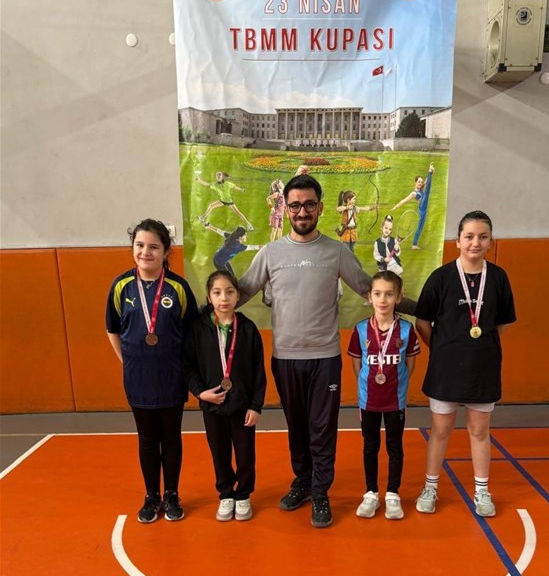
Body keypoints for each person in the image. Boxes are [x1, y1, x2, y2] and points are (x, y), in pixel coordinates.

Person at [238, 173, 396, 528]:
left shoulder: (336, 251)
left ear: (320, 208)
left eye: (309, 204)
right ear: (285, 208)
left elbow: (369, 288)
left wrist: (417, 306)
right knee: (297, 427)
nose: (302, 211)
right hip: (285, 358)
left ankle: (321, 491)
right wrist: (202, 312)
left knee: (321, 428)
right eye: (295, 205)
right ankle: (303, 481)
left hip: (324, 357)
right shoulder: (270, 253)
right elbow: (242, 291)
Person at [414, 210, 516, 517]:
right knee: (440, 430)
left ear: (491, 241)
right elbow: (422, 321)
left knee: (479, 431)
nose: (476, 242)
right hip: (445, 369)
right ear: (457, 241)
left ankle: (482, 490)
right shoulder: (441, 277)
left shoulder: (498, 277)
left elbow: (502, 322)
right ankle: (430, 487)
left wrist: (480, 345)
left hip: (483, 368)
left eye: (483, 237)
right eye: (469, 236)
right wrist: (441, 348)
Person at [106, 219, 198, 524]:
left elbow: (190, 333)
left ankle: (171, 494)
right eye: (140, 245)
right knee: (146, 438)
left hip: (171, 376)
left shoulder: (178, 287)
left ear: (166, 251)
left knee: (171, 436)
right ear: (133, 247)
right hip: (137, 377)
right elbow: (112, 329)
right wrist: (127, 361)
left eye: (154, 247)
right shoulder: (121, 286)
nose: (145, 252)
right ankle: (151, 495)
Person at [183, 270, 266, 522]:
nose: (224, 298)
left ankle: (244, 494)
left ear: (238, 295)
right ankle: (226, 494)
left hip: (242, 406)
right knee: (219, 453)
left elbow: (258, 371)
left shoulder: (248, 328)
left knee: (245, 455)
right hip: (213, 406)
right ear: (209, 296)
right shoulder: (198, 329)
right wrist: (200, 393)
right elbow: (188, 366)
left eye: (229, 292)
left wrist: (256, 406)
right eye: (217, 292)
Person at [348, 271, 420, 520]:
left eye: (389, 294)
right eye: (377, 294)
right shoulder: (360, 330)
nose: (383, 299)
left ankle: (392, 494)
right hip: (368, 399)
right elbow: (357, 365)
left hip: (395, 400)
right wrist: (366, 383)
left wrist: (398, 384)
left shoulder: (407, 330)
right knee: (370, 445)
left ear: (399, 297)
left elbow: (410, 364)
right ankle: (371, 492)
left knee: (394, 445)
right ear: (369, 297)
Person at [391, 162, 435, 250]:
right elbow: (404, 200)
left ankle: (414, 245)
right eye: (419, 182)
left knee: (420, 228)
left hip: (424, 210)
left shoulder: (421, 188)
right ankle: (429, 171)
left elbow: (427, 181)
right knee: (427, 191)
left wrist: (432, 172)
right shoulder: (414, 193)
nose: (420, 183)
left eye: (421, 182)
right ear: (415, 182)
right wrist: (396, 207)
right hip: (422, 209)